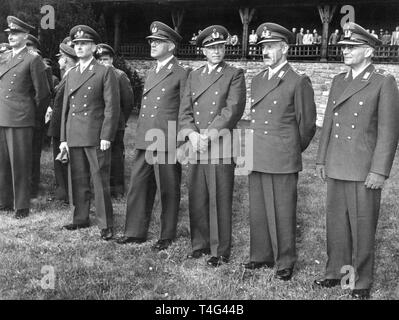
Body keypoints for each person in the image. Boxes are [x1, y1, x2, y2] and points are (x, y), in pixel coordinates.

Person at [314, 22, 399, 299]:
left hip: (363, 169)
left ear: (369, 52)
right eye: (344, 48)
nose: (345, 51)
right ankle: (335, 273)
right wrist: (321, 158)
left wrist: (379, 171)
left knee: (362, 226)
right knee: (336, 224)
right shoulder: (340, 80)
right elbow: (327, 122)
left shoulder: (383, 81)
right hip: (337, 163)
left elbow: (388, 132)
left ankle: (360, 281)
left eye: (351, 47)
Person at [243, 23, 316, 281]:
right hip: (258, 152)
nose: (265, 51)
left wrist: (290, 149)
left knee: (283, 210)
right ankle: (261, 254)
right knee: (259, 208)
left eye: (271, 46)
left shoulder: (298, 81)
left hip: (282, 156)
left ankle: (285, 260)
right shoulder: (258, 79)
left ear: (284, 49)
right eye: (263, 47)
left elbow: (306, 125)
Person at [117, 21, 189, 251]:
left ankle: (166, 235)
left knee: (167, 188)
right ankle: (134, 232)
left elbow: (185, 110)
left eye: (158, 42)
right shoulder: (152, 72)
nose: (153, 45)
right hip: (146, 137)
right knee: (138, 185)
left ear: (171, 46)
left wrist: (179, 142)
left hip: (166, 140)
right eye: (152, 41)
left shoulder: (181, 73)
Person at [178, 25, 246, 267]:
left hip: (220, 144)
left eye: (220, 47)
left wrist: (208, 135)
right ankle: (200, 244)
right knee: (197, 195)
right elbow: (184, 111)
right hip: (196, 145)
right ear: (203, 51)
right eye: (211, 48)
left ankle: (219, 250)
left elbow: (232, 109)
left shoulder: (234, 74)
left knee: (219, 197)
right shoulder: (193, 76)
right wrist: (191, 135)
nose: (216, 51)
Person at [60, 25, 120, 240]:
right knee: (78, 179)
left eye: (84, 44)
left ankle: (105, 223)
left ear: (94, 47)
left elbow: (112, 107)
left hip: (95, 135)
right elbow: (66, 109)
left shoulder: (104, 71)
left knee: (99, 179)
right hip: (75, 133)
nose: (79, 47)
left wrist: (106, 136)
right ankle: (80, 218)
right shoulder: (72, 73)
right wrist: (63, 139)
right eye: (76, 44)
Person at [0, 16, 50, 217]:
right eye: (9, 33)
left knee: (20, 163)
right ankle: (4, 200)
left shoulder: (33, 59)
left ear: (26, 36)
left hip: (21, 119)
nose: (11, 36)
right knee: (2, 163)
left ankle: (21, 205)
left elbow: (43, 93)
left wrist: (34, 118)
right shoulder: (5, 58)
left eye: (16, 33)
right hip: (3, 116)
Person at [96, 43, 134, 199]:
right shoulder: (96, 75)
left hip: (116, 123)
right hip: (99, 122)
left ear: (111, 59)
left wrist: (120, 119)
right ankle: (102, 187)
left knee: (116, 156)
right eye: (100, 60)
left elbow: (128, 101)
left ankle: (117, 189)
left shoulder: (119, 75)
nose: (103, 63)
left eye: (106, 59)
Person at [47, 42, 78, 202]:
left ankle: (66, 193)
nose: (58, 60)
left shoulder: (71, 77)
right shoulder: (67, 77)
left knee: (63, 161)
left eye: (60, 57)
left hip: (63, 127)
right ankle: (63, 192)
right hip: (59, 126)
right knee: (60, 161)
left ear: (66, 60)